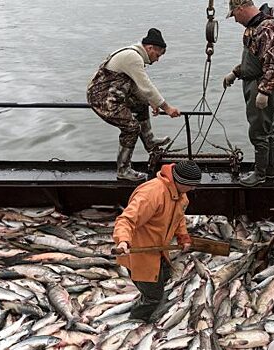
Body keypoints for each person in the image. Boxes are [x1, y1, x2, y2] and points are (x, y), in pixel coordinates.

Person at [112, 160, 201, 322]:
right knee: (153, 297)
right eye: (192, 185)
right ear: (181, 182)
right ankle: (135, 321)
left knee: (165, 277)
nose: (194, 189)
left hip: (161, 250)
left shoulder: (180, 195)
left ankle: (149, 299)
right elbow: (125, 220)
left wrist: (183, 237)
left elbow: (178, 218)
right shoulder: (152, 194)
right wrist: (123, 241)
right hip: (141, 255)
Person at [87, 28, 181, 181]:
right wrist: (167, 108)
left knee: (141, 103)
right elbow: (146, 85)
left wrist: (150, 101)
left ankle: (149, 141)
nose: (157, 60)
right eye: (157, 55)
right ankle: (123, 170)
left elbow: (136, 87)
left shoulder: (134, 55)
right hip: (102, 99)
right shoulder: (133, 57)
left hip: (115, 94)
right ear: (149, 48)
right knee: (131, 127)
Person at [224, 1, 274, 187]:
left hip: (263, 85)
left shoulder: (268, 28)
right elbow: (253, 59)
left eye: (234, 15)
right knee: (267, 130)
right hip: (254, 82)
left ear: (240, 9)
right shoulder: (254, 28)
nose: (235, 20)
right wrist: (235, 72)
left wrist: (264, 91)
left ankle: (260, 174)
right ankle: (269, 171)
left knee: (259, 132)